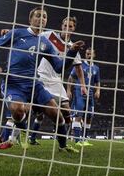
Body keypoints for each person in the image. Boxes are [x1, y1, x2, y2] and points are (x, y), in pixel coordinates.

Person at [0, 7, 83, 153]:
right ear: (30, 19)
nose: (42, 19)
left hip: (34, 85)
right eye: (38, 16)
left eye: (44, 17)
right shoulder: (18, 33)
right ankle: (22, 133)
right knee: (17, 110)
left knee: (58, 115)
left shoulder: (45, 43)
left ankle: (63, 146)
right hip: (14, 83)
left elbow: (58, 67)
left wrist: (72, 52)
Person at [29, 16, 87, 145]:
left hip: (56, 81)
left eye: (70, 26)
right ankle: (30, 138)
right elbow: (32, 33)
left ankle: (62, 141)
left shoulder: (73, 47)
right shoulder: (49, 35)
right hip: (41, 77)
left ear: (74, 29)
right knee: (39, 114)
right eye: (65, 25)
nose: (67, 28)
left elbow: (78, 69)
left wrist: (83, 86)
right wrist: (11, 32)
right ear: (61, 26)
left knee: (67, 112)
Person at [68, 47, 101, 146]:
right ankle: (77, 140)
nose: (89, 56)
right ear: (85, 55)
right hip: (79, 92)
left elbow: (97, 81)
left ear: (94, 55)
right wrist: (69, 90)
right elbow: (71, 77)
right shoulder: (80, 65)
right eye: (87, 54)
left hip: (90, 94)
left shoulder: (96, 68)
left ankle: (84, 139)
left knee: (89, 116)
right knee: (79, 115)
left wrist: (98, 90)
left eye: (91, 54)